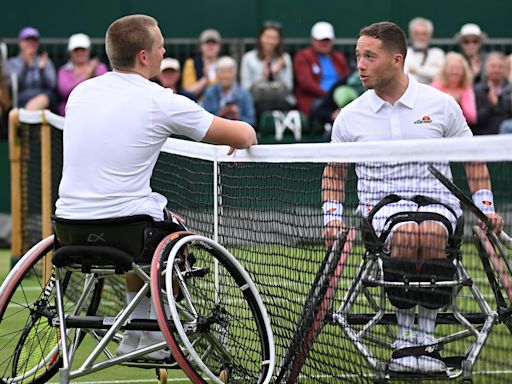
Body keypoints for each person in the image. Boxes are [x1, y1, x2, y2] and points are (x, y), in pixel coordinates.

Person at [54, 14, 257, 360]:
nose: (164, 52)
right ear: (144, 57)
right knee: (173, 237)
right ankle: (159, 335)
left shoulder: (80, 92)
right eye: (161, 47)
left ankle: (135, 334)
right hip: (125, 231)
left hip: (67, 227)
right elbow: (243, 134)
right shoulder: (161, 100)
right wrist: (246, 133)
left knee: (152, 220)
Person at [322, 21, 504, 374]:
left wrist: (486, 210)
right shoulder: (350, 116)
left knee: (431, 233)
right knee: (407, 234)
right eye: (358, 56)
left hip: (439, 206)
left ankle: (427, 333)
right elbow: (334, 172)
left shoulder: (441, 104)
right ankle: (406, 336)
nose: (359, 64)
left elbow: (474, 158)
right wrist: (332, 216)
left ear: (396, 59)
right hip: (382, 209)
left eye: (369, 56)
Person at [293, 21, 351, 118]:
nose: (324, 43)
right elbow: (306, 83)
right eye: (321, 40)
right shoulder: (303, 56)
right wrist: (330, 96)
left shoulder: (339, 58)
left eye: (327, 40)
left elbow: (347, 79)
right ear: (313, 40)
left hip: (339, 98)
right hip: (315, 99)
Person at [240, 21, 294, 119]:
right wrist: (263, 77)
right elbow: (246, 90)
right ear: (260, 38)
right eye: (267, 37)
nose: (271, 41)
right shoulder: (248, 58)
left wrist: (276, 75)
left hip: (280, 102)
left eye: (275, 38)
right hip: (257, 103)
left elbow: (289, 88)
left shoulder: (285, 58)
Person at [57, 33, 108, 116]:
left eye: (83, 50)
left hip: (97, 109)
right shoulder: (64, 70)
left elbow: (105, 87)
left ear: (88, 50)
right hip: (72, 112)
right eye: (76, 50)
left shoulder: (100, 67)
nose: (80, 53)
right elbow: (64, 91)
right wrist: (86, 76)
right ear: (70, 52)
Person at [7, 26, 57, 111]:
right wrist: (25, 67)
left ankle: (27, 117)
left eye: (34, 41)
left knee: (44, 98)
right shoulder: (12, 63)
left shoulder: (45, 61)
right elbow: (11, 86)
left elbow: (52, 85)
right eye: (27, 41)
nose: (31, 44)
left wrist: (42, 70)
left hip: (44, 99)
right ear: (20, 43)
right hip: (21, 100)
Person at [202, 56, 255, 126]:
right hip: (216, 132)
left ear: (235, 74)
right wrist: (221, 114)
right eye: (222, 72)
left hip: (238, 132)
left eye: (229, 72)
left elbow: (252, 121)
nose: (226, 76)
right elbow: (204, 121)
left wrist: (238, 116)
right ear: (217, 74)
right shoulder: (210, 92)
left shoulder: (244, 94)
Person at [431, 52, 477, 126]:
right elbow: (431, 113)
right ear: (444, 70)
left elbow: (472, 117)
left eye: (458, 68)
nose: (455, 72)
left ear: (464, 72)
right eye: (452, 68)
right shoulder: (436, 87)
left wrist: (460, 103)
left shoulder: (467, 89)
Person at [473, 52, 512, 135]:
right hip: (484, 137)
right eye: (493, 66)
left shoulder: (510, 89)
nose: (496, 70)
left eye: (500, 67)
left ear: (505, 69)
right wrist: (490, 105)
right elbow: (476, 120)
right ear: (486, 69)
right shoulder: (477, 90)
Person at [182, 28, 222, 99]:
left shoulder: (224, 64)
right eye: (207, 43)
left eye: (214, 43)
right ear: (200, 46)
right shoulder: (191, 63)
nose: (210, 46)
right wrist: (205, 79)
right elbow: (188, 92)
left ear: (219, 46)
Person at [404, 17, 444, 84]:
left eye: (424, 34)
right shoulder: (404, 52)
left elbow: (439, 75)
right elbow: (404, 74)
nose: (420, 37)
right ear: (411, 36)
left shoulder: (437, 53)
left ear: (430, 36)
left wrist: (415, 71)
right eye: (416, 34)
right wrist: (428, 71)